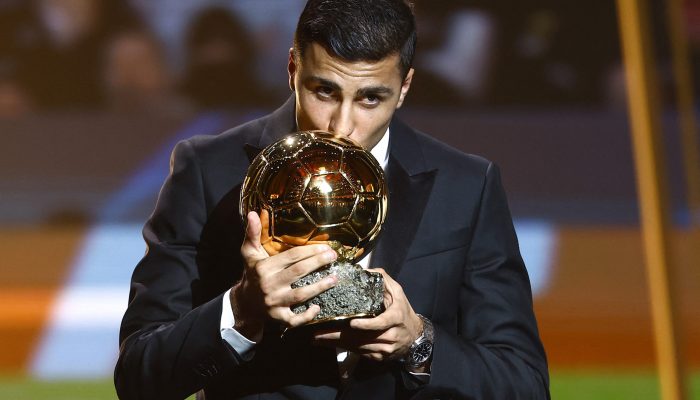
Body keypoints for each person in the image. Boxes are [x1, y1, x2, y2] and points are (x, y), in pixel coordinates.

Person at [115, 0, 550, 398]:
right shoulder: (209, 171)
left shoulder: (468, 186)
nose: (342, 126)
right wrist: (241, 311)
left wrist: (417, 341)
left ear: (404, 87)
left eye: (370, 98)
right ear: (292, 67)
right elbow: (138, 376)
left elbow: (524, 383)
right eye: (324, 91)